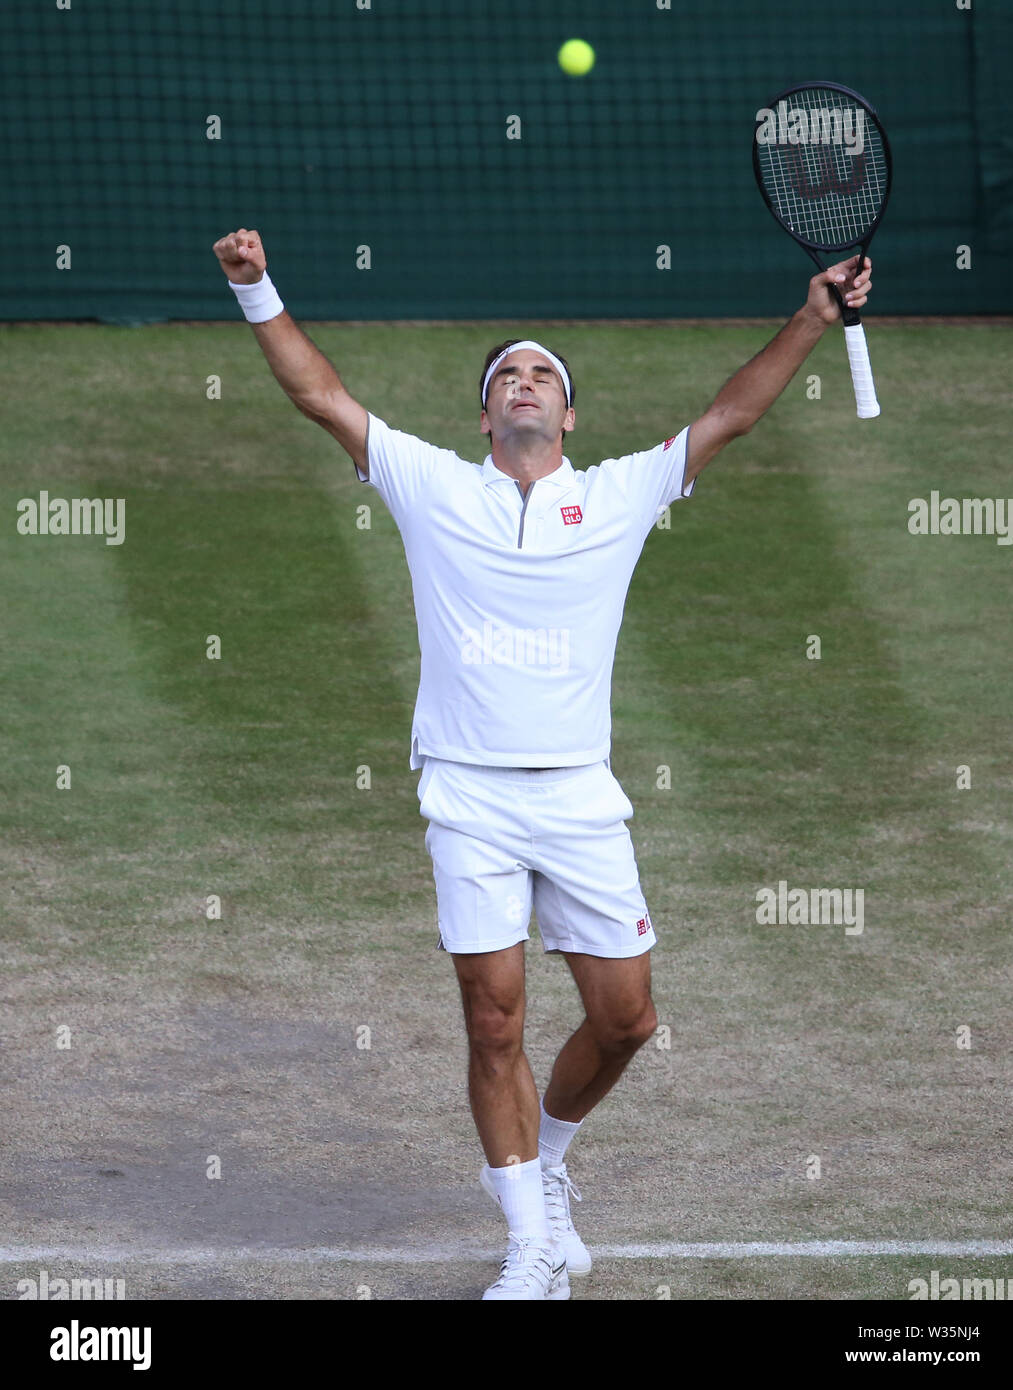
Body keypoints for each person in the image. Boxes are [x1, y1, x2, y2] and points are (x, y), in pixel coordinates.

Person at [212, 228, 872, 1300]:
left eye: (543, 375)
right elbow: (322, 398)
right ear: (485, 416)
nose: (523, 384)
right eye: (505, 375)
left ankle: (548, 1158)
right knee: (494, 1017)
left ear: (566, 416)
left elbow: (732, 414)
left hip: (578, 798)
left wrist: (811, 314)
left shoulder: (617, 494)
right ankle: (527, 1245)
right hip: (466, 795)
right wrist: (256, 287)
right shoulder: (430, 485)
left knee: (626, 1020)